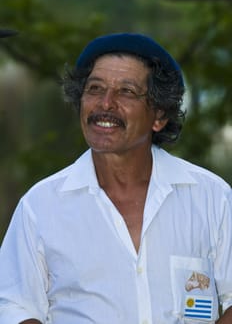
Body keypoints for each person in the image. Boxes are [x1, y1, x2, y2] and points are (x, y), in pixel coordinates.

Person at [0, 32, 231, 324]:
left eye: (126, 91)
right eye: (95, 89)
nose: (105, 104)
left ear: (159, 116)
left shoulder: (211, 197)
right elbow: (15, 308)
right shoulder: (40, 206)